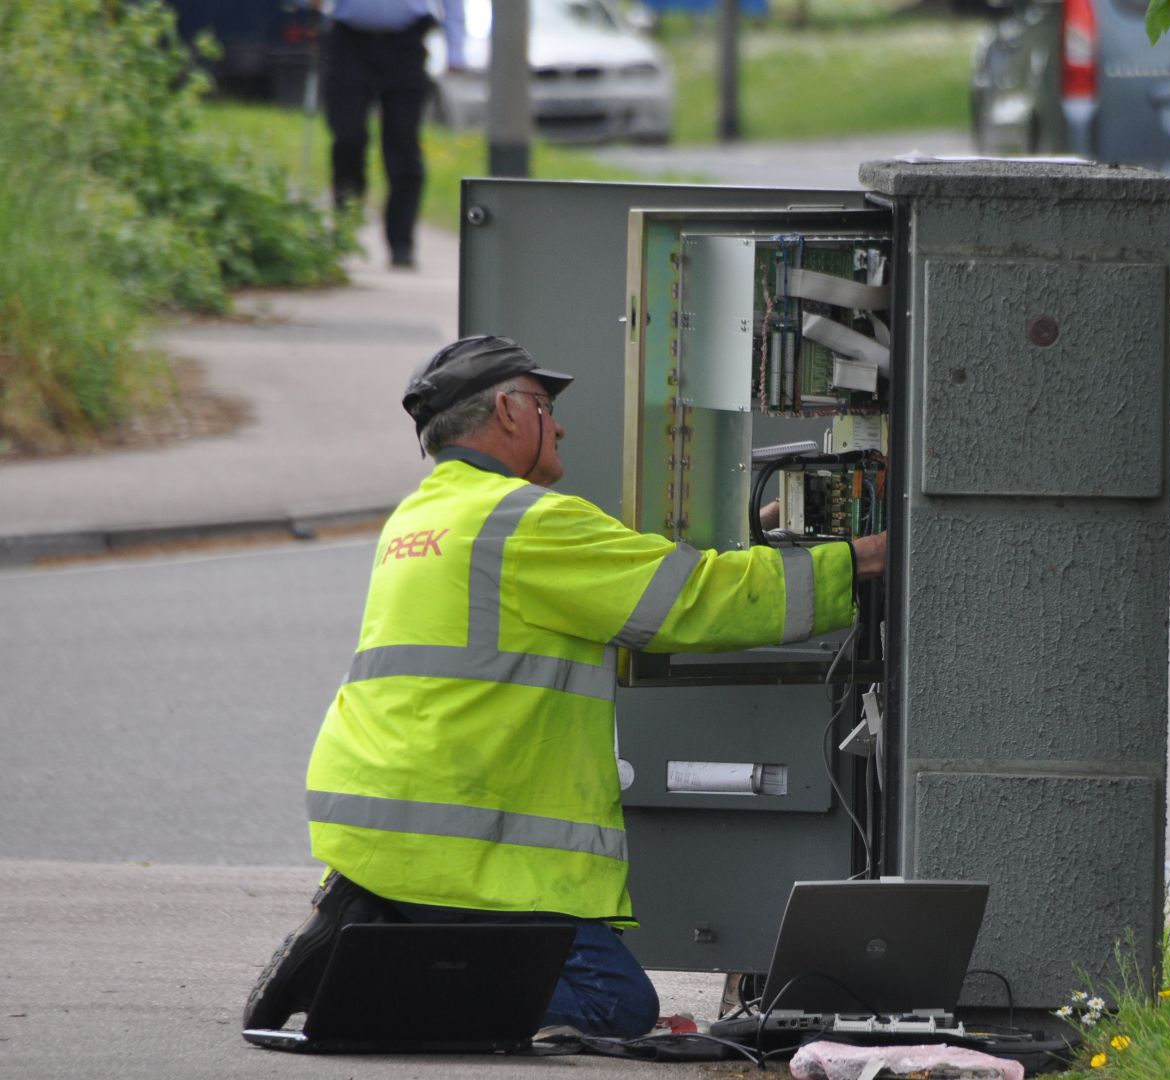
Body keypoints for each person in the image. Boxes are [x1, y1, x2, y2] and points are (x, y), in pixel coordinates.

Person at [244, 335, 886, 1036]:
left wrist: (752, 531)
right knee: (615, 1006)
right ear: (507, 411)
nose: (560, 427)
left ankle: (369, 919)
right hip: (458, 846)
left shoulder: (423, 517)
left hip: (386, 820)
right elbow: (692, 599)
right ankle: (350, 978)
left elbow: (625, 574)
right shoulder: (523, 523)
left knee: (550, 982)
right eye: (546, 407)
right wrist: (858, 560)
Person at [318, 0, 467, 269]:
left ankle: (401, 243)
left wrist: (455, 50)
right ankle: (345, 231)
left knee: (404, 148)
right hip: (349, 42)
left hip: (405, 42)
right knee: (348, 139)